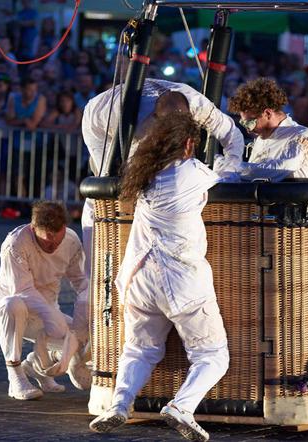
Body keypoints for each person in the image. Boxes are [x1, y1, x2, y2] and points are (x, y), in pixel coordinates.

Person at [89, 113, 229, 442]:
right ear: (189, 144)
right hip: (181, 281)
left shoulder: (141, 174)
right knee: (212, 354)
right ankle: (181, 406)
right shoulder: (192, 173)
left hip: (138, 278)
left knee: (138, 349)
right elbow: (231, 166)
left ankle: (119, 405)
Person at [80, 78, 245, 277]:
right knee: (111, 185)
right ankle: (97, 266)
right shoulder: (133, 123)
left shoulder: (199, 105)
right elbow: (137, 172)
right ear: (157, 120)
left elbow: (232, 135)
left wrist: (230, 172)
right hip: (98, 122)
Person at [0, 201, 91, 400]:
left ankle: (36, 366)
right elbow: (22, 290)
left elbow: (81, 281)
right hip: (6, 312)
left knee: (82, 342)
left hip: (45, 311)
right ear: (33, 228)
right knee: (13, 305)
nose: (53, 245)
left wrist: (86, 314)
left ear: (65, 229)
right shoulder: (15, 243)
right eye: (47, 239)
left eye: (57, 240)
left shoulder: (71, 240)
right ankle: (15, 375)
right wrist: (51, 316)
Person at [228, 77, 308, 180]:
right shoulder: (260, 139)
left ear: (267, 113)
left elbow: (281, 170)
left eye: (250, 123)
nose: (248, 129)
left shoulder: (302, 135)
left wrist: (233, 167)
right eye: (243, 123)